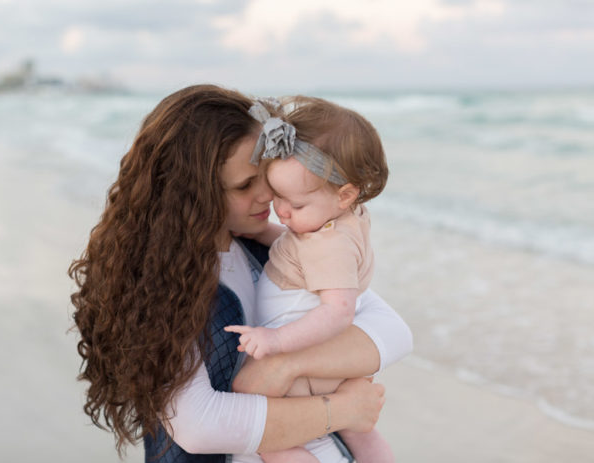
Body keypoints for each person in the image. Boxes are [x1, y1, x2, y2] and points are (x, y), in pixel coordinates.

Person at [68, 84, 412, 463]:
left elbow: (393, 330)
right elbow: (200, 426)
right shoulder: (161, 284)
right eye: (245, 185)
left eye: (263, 173)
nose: (268, 195)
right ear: (193, 193)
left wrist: (286, 364)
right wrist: (342, 410)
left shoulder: (275, 245)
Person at [226, 96, 397, 462]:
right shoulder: (337, 219)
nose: (282, 212)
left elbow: (338, 312)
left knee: (267, 435)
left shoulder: (330, 245)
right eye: (278, 197)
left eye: (295, 205)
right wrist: (263, 233)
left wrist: (276, 341)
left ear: (345, 194)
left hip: (298, 356)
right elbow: (300, 254)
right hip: (324, 366)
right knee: (359, 430)